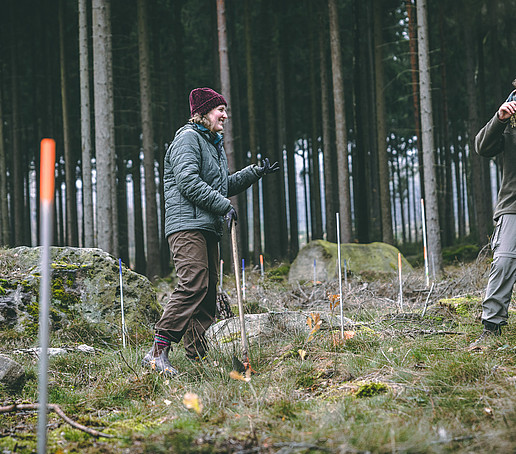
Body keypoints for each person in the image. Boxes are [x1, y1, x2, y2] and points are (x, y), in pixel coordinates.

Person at [142, 87, 279, 375]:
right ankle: (156, 353)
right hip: (186, 226)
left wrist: (255, 172)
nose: (225, 115)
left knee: (207, 293)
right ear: (203, 112)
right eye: (220, 110)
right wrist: (222, 205)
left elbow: (220, 186)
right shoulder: (187, 138)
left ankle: (198, 359)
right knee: (193, 283)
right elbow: (189, 182)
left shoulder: (210, 143)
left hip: (206, 226)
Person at [469, 84, 516, 349]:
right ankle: (491, 328)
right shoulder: (510, 111)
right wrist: (500, 119)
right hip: (514, 204)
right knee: (505, 260)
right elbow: (483, 147)